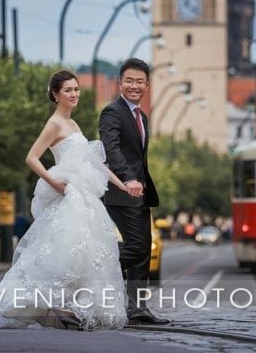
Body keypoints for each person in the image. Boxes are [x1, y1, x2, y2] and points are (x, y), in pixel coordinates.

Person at [0, 70, 135, 330]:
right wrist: (53, 182)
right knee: (66, 249)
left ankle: (74, 308)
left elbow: (93, 161)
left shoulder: (75, 125)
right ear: (56, 94)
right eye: (68, 90)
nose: (74, 94)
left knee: (87, 252)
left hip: (86, 195)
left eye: (76, 89)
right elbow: (32, 157)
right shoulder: (54, 123)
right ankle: (59, 307)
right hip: (69, 193)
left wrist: (123, 184)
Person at [99, 58, 170, 325]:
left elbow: (138, 156)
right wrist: (128, 179)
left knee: (141, 253)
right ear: (120, 83)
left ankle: (137, 309)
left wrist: (139, 185)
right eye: (129, 80)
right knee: (138, 247)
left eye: (139, 81)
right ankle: (94, 268)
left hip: (140, 194)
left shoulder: (141, 116)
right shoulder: (112, 112)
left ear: (147, 85)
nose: (134, 85)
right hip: (120, 192)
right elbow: (112, 149)